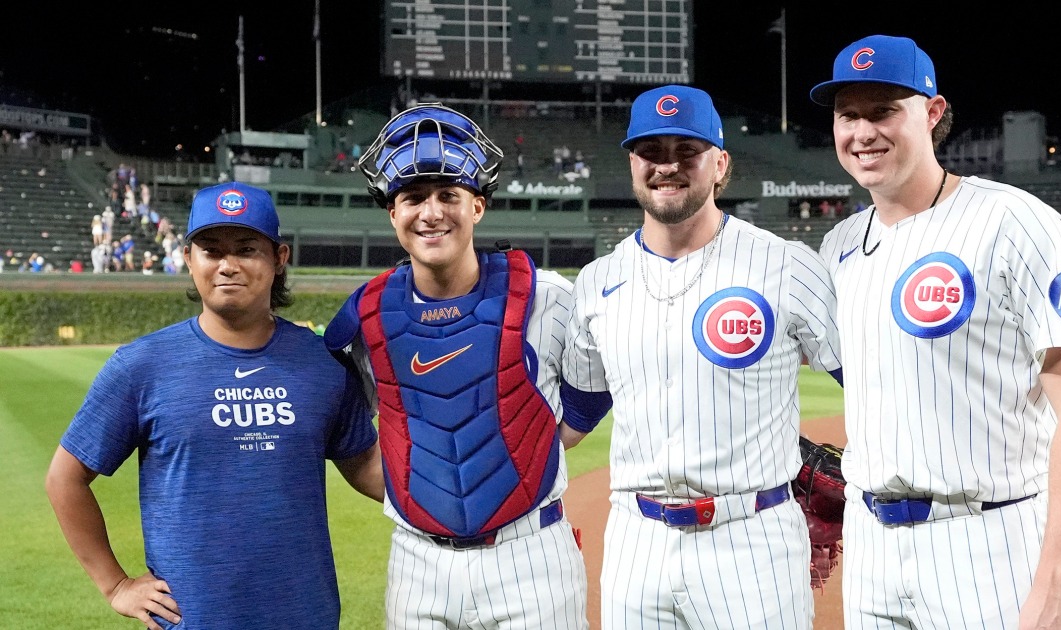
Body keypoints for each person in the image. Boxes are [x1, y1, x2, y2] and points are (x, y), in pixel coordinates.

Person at [809, 34, 1061, 629]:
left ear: (933, 112)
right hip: (872, 550)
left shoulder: (1016, 224)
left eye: (883, 111)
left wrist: (1058, 578)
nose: (863, 132)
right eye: (849, 115)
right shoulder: (839, 246)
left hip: (988, 543)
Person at [561, 85, 843, 629]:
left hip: (752, 540)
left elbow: (873, 384)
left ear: (720, 164)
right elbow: (575, 415)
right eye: (652, 151)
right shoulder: (598, 282)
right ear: (632, 163)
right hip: (635, 543)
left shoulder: (786, 266)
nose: (667, 165)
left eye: (685, 150)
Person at [45, 181, 383, 630]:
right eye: (211, 250)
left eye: (246, 249)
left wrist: (456, 498)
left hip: (306, 615)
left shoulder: (322, 361)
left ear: (279, 259)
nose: (228, 265)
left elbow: (365, 466)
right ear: (188, 259)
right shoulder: (142, 365)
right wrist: (115, 585)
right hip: (193, 619)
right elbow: (65, 478)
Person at [323, 103, 591, 629]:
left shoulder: (548, 297)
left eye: (449, 194)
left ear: (478, 206)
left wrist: (528, 448)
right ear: (392, 212)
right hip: (418, 564)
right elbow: (343, 426)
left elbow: (591, 394)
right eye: (413, 197)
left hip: (532, 556)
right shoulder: (364, 316)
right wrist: (411, 487)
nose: (431, 211)